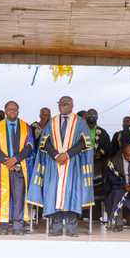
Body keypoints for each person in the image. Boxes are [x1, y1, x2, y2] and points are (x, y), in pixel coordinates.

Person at [29, 96, 93, 237]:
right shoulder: (52, 122)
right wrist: (56, 155)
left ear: (72, 105)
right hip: (54, 163)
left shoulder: (80, 122)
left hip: (72, 164)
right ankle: (56, 226)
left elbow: (85, 142)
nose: (62, 106)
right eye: (60, 104)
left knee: (72, 193)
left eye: (66, 104)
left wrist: (68, 154)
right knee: (53, 193)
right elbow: (44, 142)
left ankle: (71, 227)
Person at [0, 101, 36, 235]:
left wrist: (16, 159)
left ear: (18, 111)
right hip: (2, 168)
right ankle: (4, 226)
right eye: (10, 109)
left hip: (19, 166)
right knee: (3, 196)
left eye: (15, 109)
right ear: (5, 111)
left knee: (19, 198)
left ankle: (18, 226)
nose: (12, 111)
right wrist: (7, 161)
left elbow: (29, 146)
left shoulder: (25, 127)